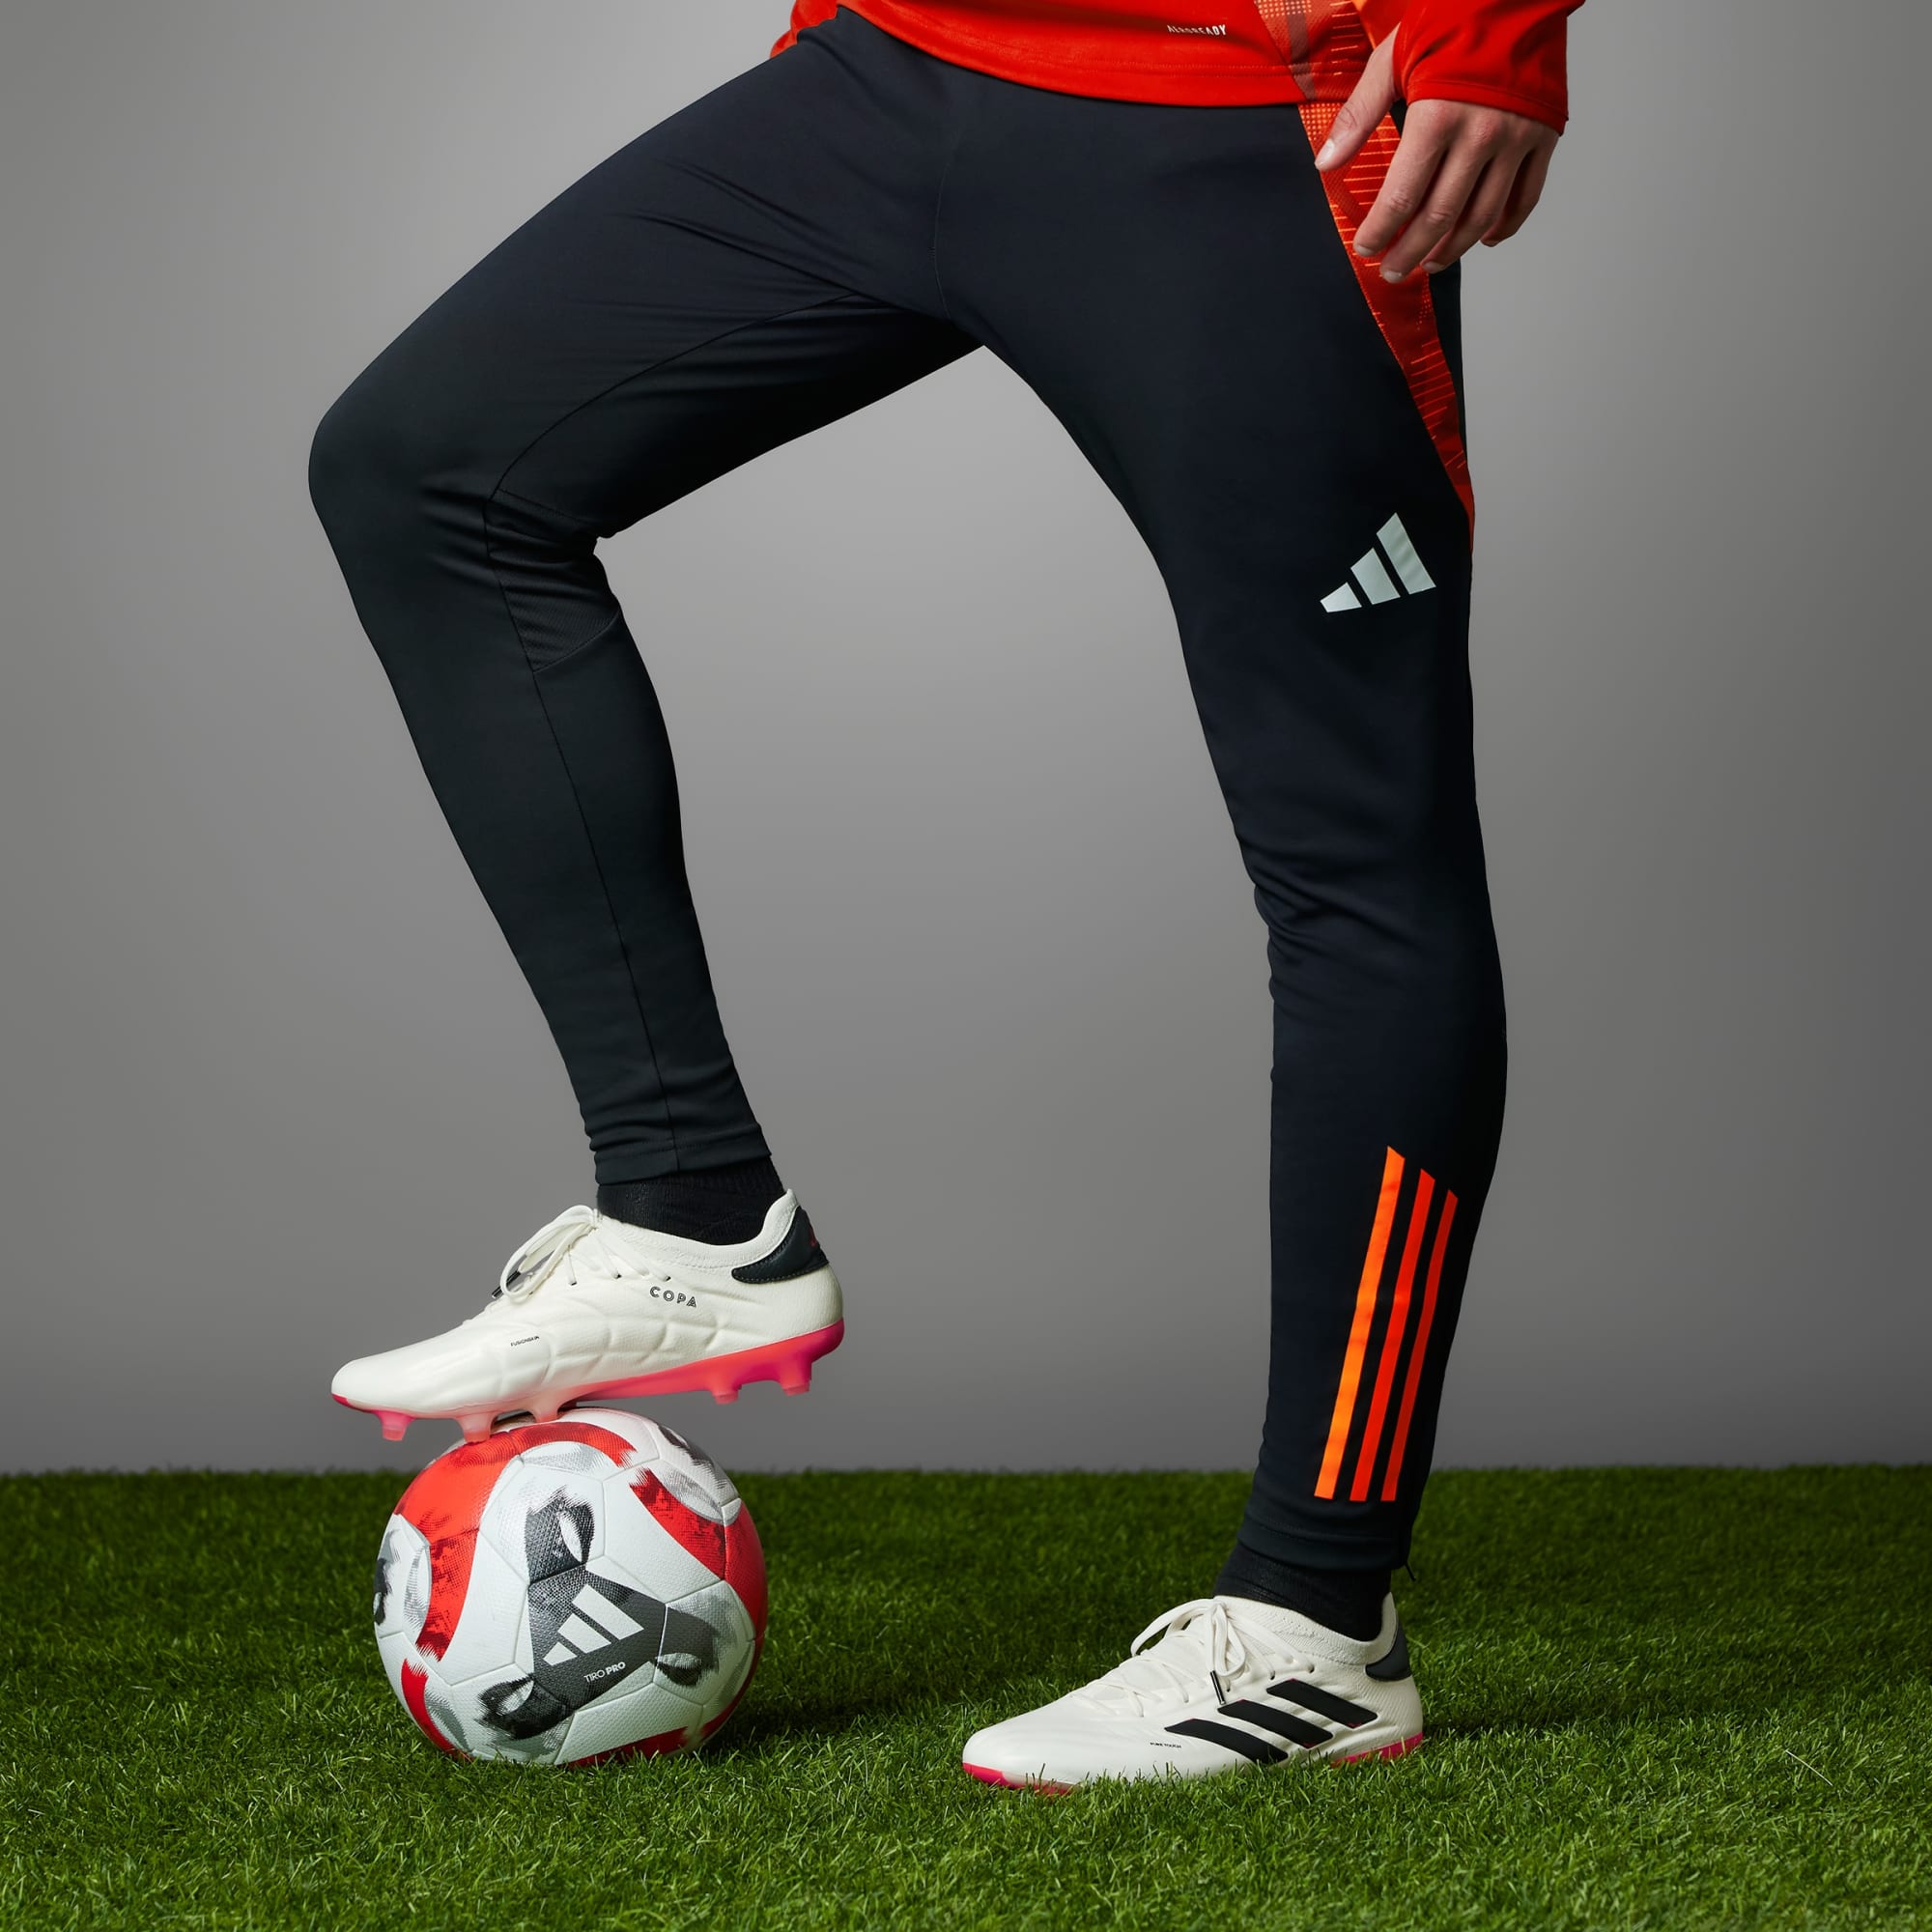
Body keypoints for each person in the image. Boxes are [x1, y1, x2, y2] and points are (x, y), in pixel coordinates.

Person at [309, 0, 1579, 1788]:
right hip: (906, 62)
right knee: (424, 468)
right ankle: (695, 1213)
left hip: (1241, 110)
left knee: (1361, 860)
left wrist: (1497, 21)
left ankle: (1317, 1621)